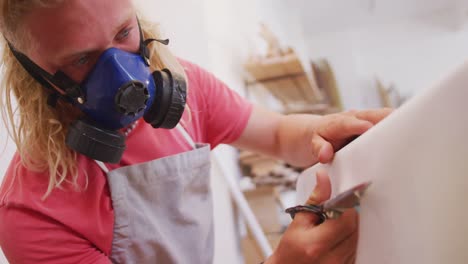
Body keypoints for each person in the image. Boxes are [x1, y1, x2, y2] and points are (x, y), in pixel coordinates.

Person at [0, 0, 391, 263]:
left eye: (123, 33)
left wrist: (322, 130)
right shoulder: (31, 212)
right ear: (36, 76)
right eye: (82, 58)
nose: (122, 75)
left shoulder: (188, 88)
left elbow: (276, 135)